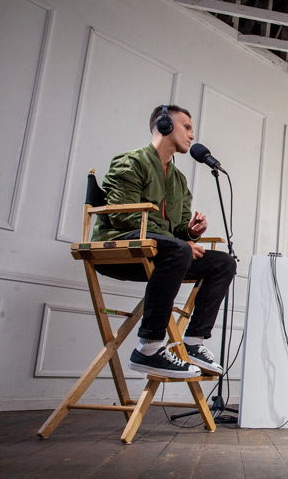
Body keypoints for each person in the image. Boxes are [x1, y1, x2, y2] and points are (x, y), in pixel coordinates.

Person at [93, 104, 237, 379]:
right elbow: (126, 217)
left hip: (163, 254)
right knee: (178, 249)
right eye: (186, 127)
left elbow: (178, 231)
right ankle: (148, 347)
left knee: (223, 263)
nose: (192, 136)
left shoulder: (180, 181)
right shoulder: (131, 162)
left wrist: (191, 232)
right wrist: (180, 242)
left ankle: (193, 342)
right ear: (164, 125)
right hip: (121, 247)